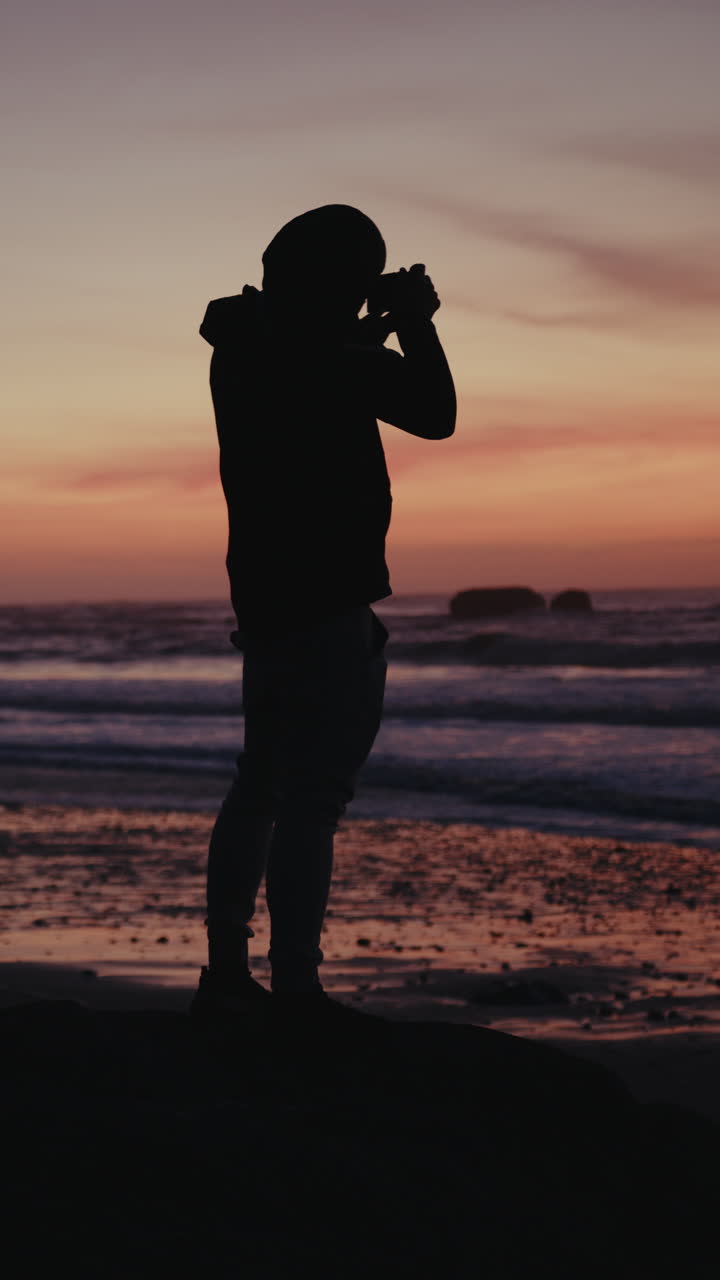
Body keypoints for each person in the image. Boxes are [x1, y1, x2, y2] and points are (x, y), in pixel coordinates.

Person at [192, 204, 456, 1021]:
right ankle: (298, 986)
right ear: (334, 285)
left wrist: (365, 324)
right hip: (330, 593)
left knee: (261, 785)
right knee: (314, 795)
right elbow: (435, 413)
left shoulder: (242, 346)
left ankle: (227, 971)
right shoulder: (329, 355)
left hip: (267, 595)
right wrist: (413, 322)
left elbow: (317, 364)